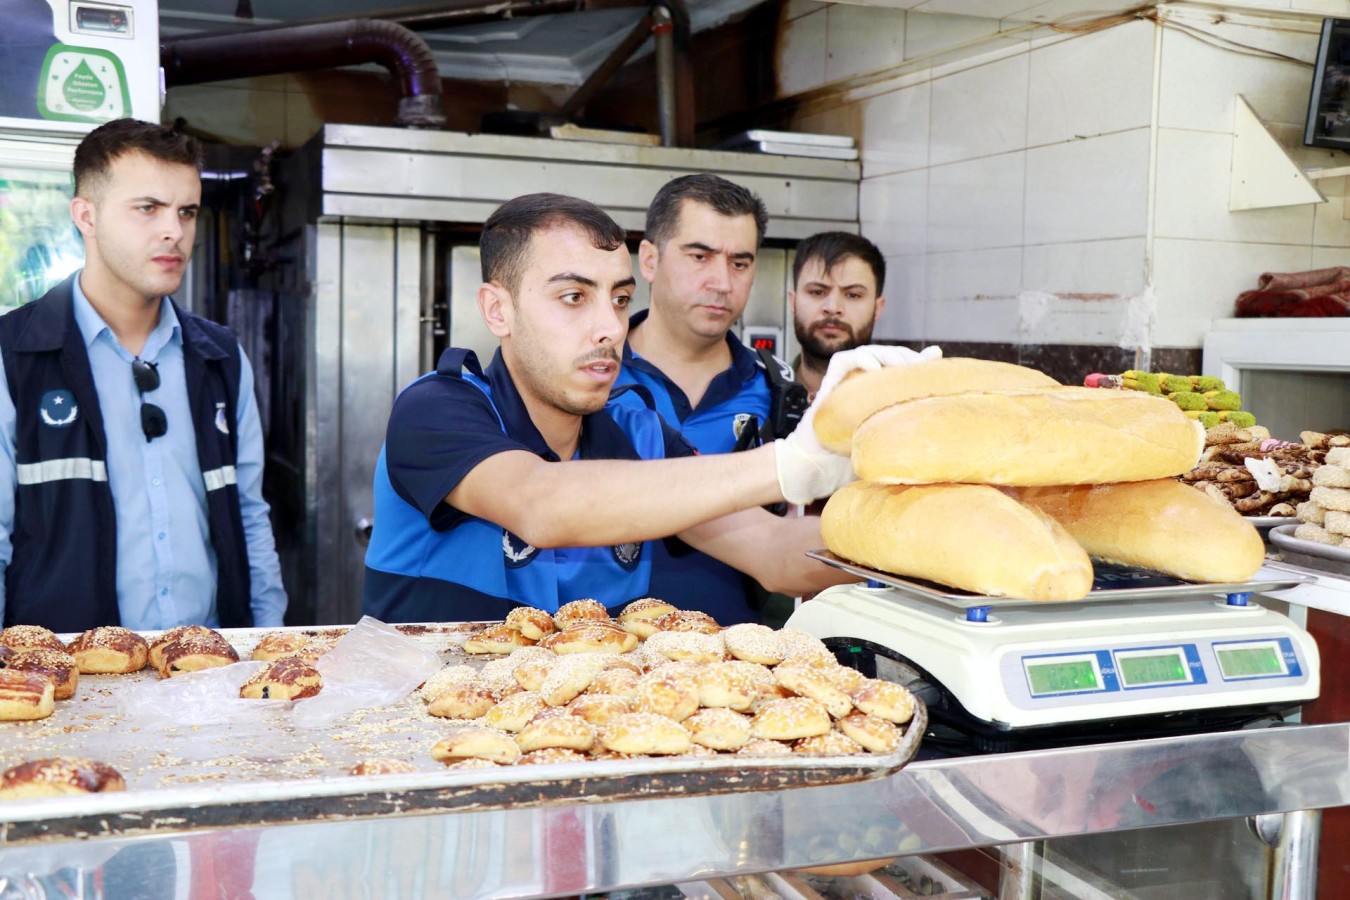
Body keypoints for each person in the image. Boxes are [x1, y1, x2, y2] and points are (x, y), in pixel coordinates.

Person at [361, 192, 889, 624]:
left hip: (582, 741)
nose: (612, 327)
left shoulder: (640, 432)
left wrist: (913, 528)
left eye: (618, 298)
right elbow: (541, 505)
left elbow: (774, 552)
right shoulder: (437, 408)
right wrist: (790, 463)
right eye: (574, 297)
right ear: (498, 309)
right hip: (419, 740)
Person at [0, 118, 287, 633]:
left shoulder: (220, 357)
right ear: (86, 216)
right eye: (147, 209)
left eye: (187, 212)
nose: (173, 232)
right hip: (67, 684)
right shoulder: (14, 356)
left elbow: (249, 516)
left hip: (204, 670)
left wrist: (265, 641)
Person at [612, 174, 799, 624]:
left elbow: (787, 545)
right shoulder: (590, 375)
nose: (721, 281)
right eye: (700, 256)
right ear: (650, 260)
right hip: (595, 657)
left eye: (740, 262)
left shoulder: (776, 390)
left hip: (732, 667)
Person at [790, 231, 888, 400]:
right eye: (817, 292)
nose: (833, 308)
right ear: (793, 302)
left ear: (877, 309)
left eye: (853, 295)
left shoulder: (901, 407)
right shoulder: (758, 399)